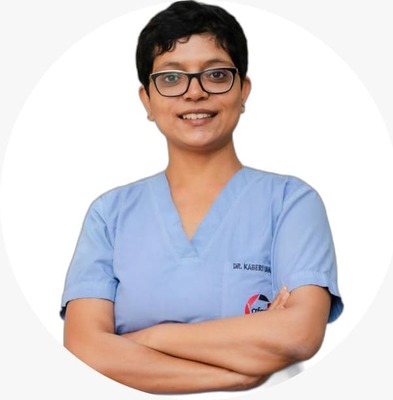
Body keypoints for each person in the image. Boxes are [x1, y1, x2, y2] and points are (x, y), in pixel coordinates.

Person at [60, 0, 344, 395]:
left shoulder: (291, 203)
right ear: (147, 100)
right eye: (171, 78)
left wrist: (148, 338)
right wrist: (238, 371)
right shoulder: (109, 215)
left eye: (216, 74)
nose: (195, 93)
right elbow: (84, 350)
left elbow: (298, 335)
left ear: (243, 91)